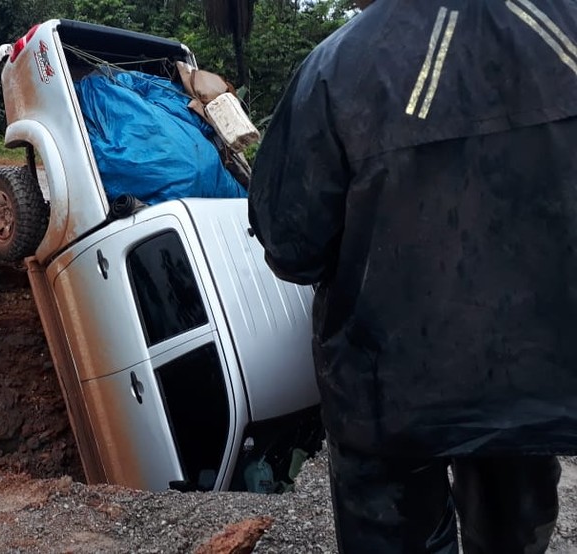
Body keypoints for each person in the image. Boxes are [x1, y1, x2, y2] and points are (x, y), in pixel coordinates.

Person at [246, 0, 576, 552]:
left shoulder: (338, 69)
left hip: (382, 389)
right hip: (530, 378)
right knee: (513, 523)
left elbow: (291, 247)